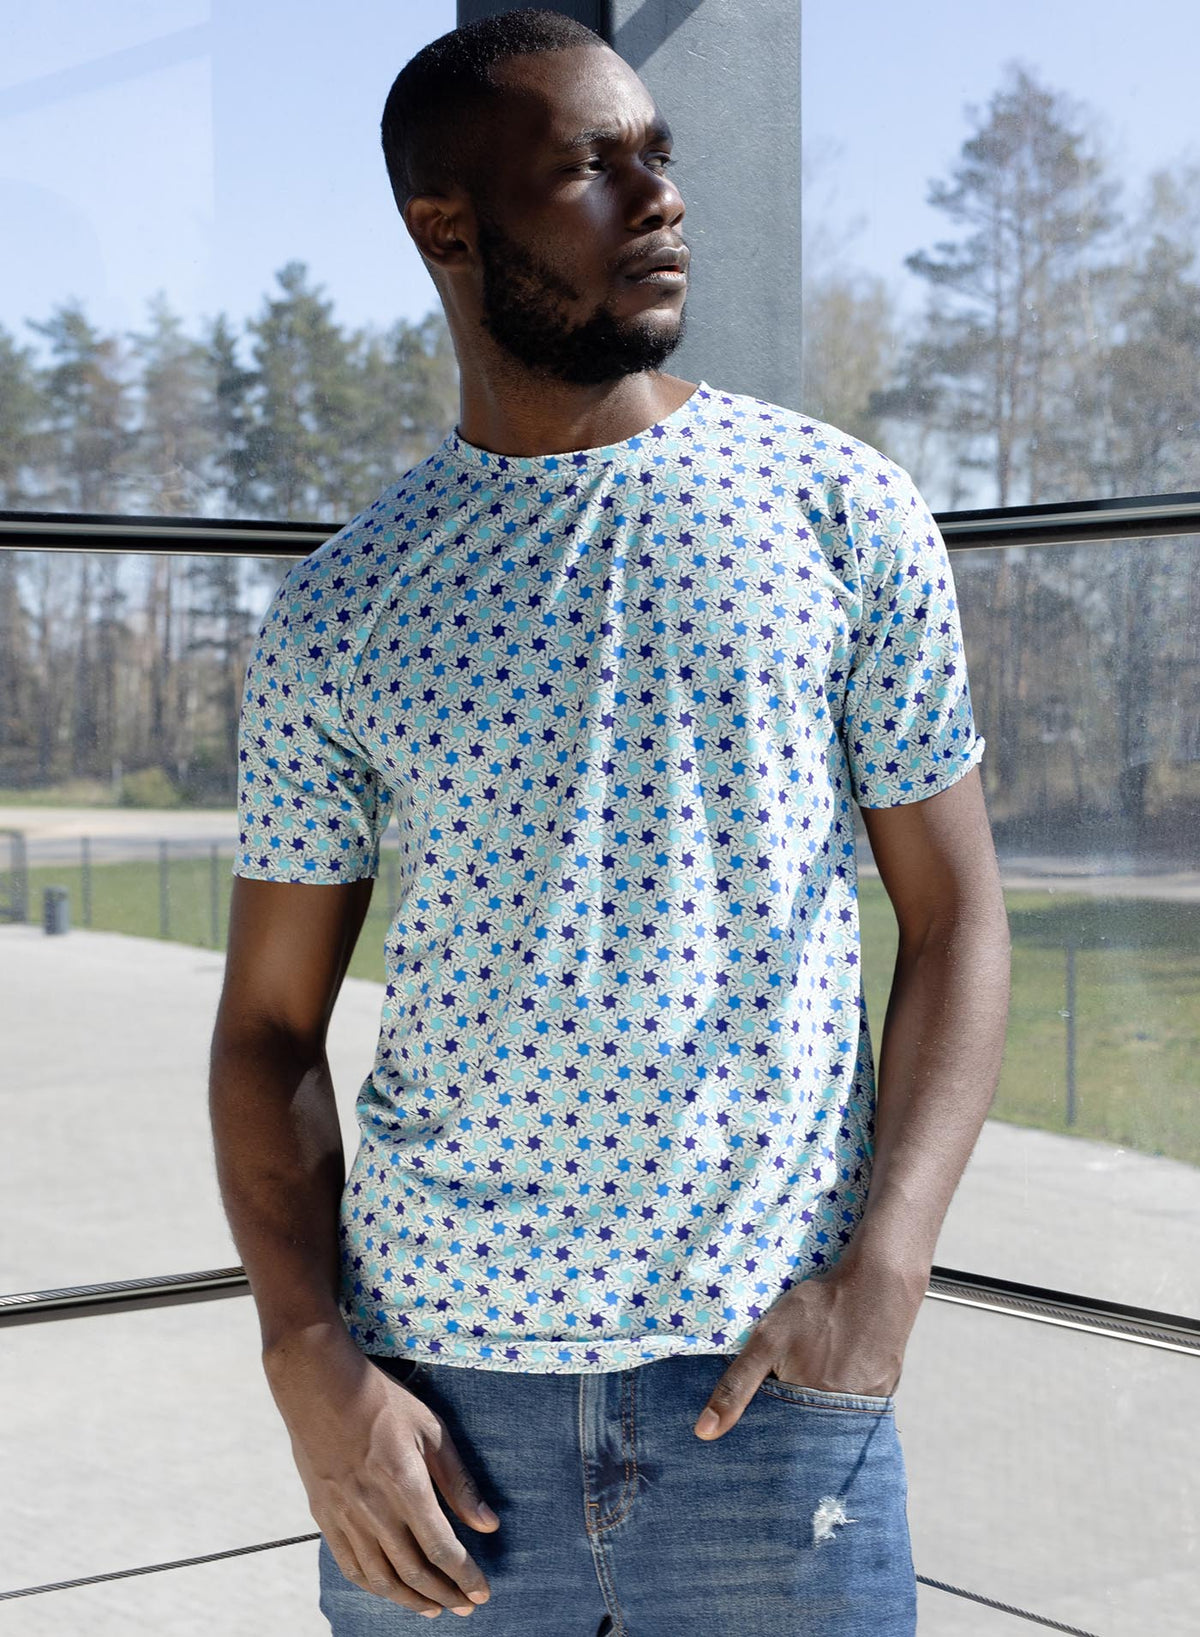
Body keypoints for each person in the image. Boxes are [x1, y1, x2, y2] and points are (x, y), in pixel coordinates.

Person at [209, 9, 1011, 1633]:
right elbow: (267, 1030)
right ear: (446, 227)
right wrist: (310, 1363)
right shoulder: (342, 611)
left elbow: (958, 920)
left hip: (771, 1396)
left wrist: (888, 1272)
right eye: (594, 165)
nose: (661, 197)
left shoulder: (841, 512)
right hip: (432, 1425)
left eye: (662, 155)